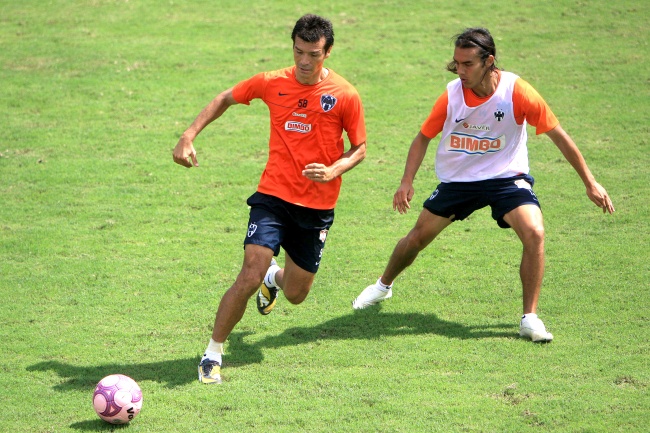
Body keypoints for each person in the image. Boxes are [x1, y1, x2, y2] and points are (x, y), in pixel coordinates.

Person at [352, 28, 614, 342]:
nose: (460, 71)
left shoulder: (518, 92)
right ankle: (383, 286)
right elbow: (423, 137)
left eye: (468, 64)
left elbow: (559, 136)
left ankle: (529, 318)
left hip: (506, 177)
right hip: (460, 179)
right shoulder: (452, 95)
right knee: (417, 237)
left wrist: (590, 182)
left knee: (535, 232)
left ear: (489, 62)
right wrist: (406, 181)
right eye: (457, 63)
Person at [173, 14, 366, 384]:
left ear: (327, 52)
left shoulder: (345, 95)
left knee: (296, 293)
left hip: (317, 206)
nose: (304, 61)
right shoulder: (272, 82)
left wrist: (334, 170)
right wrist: (188, 134)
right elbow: (225, 98)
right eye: (298, 52)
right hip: (273, 196)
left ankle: (274, 278)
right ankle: (212, 353)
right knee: (248, 272)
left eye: (313, 54)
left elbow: (360, 148)